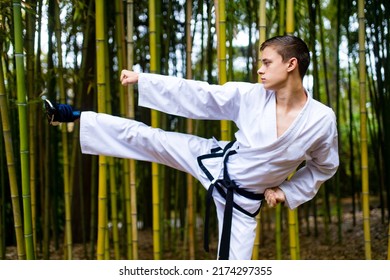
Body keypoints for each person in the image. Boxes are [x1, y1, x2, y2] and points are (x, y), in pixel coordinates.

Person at [45, 35, 339, 260]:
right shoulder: (250, 95)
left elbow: (323, 166)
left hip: (244, 203)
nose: (259, 70)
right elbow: (201, 95)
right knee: (151, 138)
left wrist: (285, 191)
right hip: (214, 162)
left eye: (266, 62)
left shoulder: (321, 120)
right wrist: (144, 79)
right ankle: (75, 115)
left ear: (291, 64)